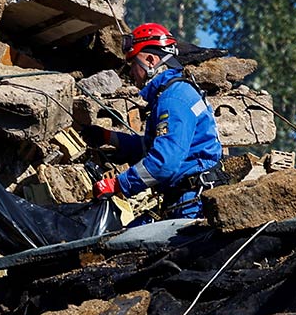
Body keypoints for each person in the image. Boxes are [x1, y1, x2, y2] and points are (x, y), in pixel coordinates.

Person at [81, 22, 224, 220]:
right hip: (186, 197)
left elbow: (164, 163)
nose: (130, 73)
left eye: (133, 64)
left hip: (191, 204)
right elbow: (151, 147)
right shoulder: (174, 94)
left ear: (150, 60)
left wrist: (117, 185)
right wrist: (108, 137)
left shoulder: (173, 100)